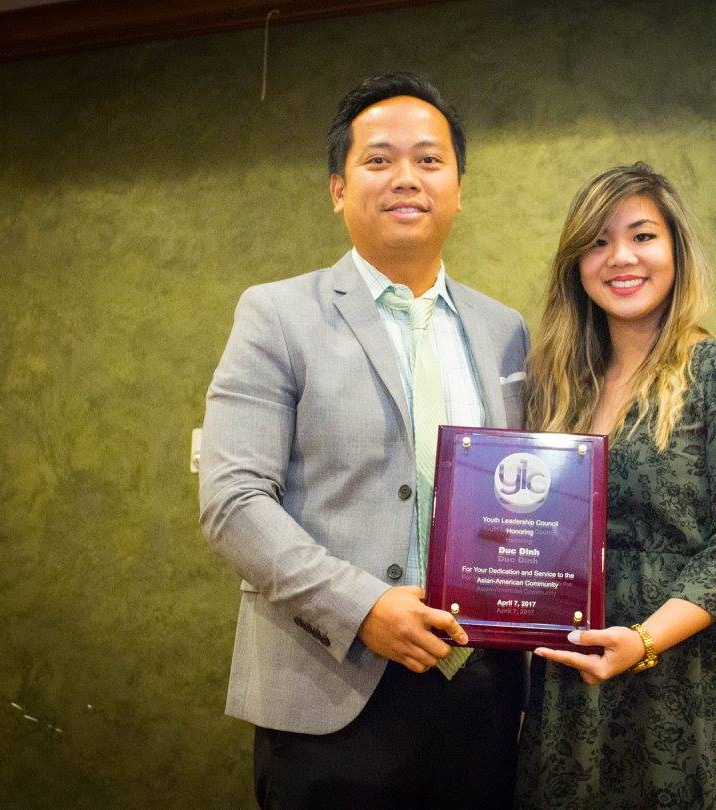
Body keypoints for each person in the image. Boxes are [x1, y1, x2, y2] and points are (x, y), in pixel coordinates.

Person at [199, 72, 528, 808]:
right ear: (338, 189)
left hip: (481, 695)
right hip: (326, 690)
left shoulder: (504, 330)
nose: (405, 178)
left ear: (459, 188)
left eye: (429, 159)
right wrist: (363, 609)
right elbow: (232, 499)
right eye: (378, 159)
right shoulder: (276, 315)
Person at [515, 163, 716, 808]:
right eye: (598, 241)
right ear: (576, 264)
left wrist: (641, 642)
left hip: (686, 681)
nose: (621, 258)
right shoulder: (561, 387)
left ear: (677, 252)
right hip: (574, 686)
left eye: (643, 236)